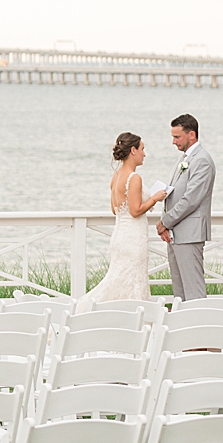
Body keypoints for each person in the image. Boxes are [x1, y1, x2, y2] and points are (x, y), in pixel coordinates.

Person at [79, 132, 166, 310]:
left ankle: (107, 315)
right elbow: (135, 211)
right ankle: (132, 319)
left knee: (118, 280)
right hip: (133, 238)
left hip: (120, 235)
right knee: (132, 280)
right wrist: (155, 198)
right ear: (133, 150)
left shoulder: (116, 176)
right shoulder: (134, 178)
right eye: (142, 149)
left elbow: (114, 209)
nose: (144, 153)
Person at [157, 113, 215, 301]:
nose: (173, 142)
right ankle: (183, 328)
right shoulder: (185, 158)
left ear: (191, 135)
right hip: (176, 234)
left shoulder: (202, 160)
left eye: (177, 137)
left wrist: (165, 221)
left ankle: (200, 327)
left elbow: (191, 199)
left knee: (194, 290)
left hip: (190, 234)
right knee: (179, 290)